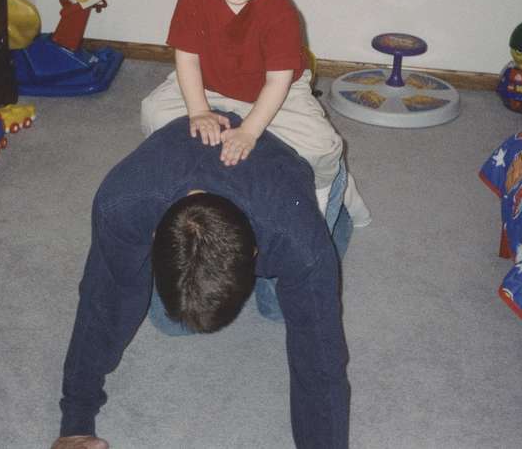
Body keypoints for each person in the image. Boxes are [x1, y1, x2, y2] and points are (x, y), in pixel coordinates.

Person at [53, 114, 350, 449]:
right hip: (182, 153)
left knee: (280, 308)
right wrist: (75, 424)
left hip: (289, 166)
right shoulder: (121, 203)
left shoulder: (296, 238)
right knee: (175, 322)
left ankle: (339, 208)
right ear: (154, 236)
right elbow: (103, 302)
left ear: (255, 253)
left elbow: (321, 359)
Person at [141, 0, 369, 225]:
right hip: (211, 81)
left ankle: (325, 195)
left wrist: (249, 130)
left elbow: (278, 82)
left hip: (274, 90)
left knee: (322, 148)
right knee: (153, 113)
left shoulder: (280, 11)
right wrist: (199, 109)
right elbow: (186, 58)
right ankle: (183, 178)